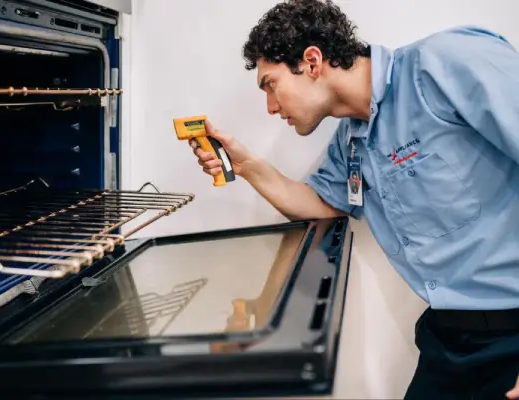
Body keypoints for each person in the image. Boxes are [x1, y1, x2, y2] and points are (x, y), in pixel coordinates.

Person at [188, 0, 519, 398]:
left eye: (270, 85)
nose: (271, 107)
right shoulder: (351, 141)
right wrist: (246, 165)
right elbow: (322, 203)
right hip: (449, 339)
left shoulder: (445, 64)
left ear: (312, 62)